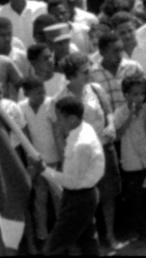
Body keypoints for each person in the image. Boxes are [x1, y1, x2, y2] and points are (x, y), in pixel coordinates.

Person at [42, 92, 107, 255]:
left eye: (60, 118)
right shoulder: (84, 129)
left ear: (71, 119)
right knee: (88, 242)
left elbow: (72, 181)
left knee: (54, 246)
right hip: (82, 195)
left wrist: (43, 170)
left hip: (79, 199)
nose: (57, 122)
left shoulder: (81, 145)